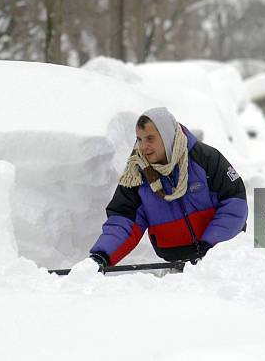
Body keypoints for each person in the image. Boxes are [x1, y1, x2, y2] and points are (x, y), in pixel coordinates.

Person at [88, 107, 248, 269]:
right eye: (139, 139)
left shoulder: (205, 158)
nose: (143, 147)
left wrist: (210, 245)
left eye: (150, 138)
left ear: (167, 136)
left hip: (223, 258)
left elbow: (235, 204)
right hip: (176, 263)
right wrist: (102, 255)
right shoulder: (137, 174)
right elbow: (124, 221)